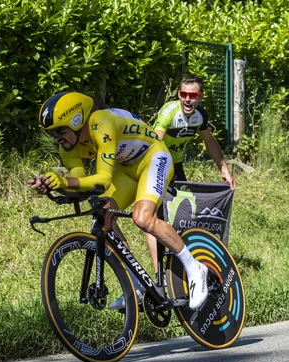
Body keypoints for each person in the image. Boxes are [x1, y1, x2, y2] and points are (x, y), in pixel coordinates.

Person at [28, 91, 209, 310]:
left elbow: (103, 180)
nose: (56, 138)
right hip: (126, 169)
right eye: (51, 133)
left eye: (59, 131)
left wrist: (65, 182)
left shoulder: (101, 124)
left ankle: (195, 268)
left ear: (76, 120)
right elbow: (83, 182)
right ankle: (138, 287)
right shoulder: (68, 147)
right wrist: (51, 184)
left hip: (154, 158)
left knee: (143, 218)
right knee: (104, 217)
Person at [145, 75, 236, 273]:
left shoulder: (200, 115)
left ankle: (181, 258)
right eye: (184, 94)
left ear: (200, 97)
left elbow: (210, 143)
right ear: (179, 94)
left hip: (176, 165)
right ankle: (158, 271)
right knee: (153, 216)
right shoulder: (169, 112)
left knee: (182, 212)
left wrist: (225, 171)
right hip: (157, 163)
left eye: (192, 95)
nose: (187, 99)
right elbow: (153, 144)